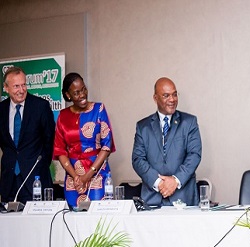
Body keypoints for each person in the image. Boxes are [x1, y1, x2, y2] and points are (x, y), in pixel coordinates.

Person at [132, 77, 202, 206]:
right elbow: (138, 159)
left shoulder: (189, 122)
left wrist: (175, 181)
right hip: (152, 199)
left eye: (174, 94)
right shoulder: (143, 126)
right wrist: (159, 183)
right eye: (166, 96)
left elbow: (194, 155)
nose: (172, 99)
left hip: (183, 199)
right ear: (155, 98)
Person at [53, 72, 116, 208]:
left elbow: (106, 146)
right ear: (68, 95)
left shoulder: (99, 109)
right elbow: (60, 150)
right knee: (73, 217)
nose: (82, 95)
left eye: (83, 89)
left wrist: (88, 175)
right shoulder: (63, 116)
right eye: (76, 93)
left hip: (97, 171)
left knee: (98, 215)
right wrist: (76, 176)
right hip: (73, 177)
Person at [0, 66, 55, 204]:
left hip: (35, 178)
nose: (21, 90)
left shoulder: (40, 106)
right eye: (16, 86)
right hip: (9, 181)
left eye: (24, 85)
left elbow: (50, 140)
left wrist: (40, 164)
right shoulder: (0, 110)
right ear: (6, 88)